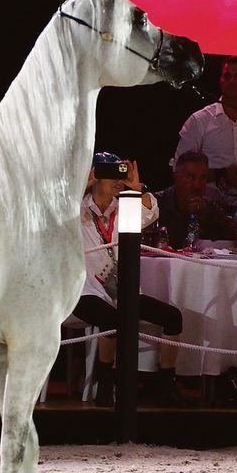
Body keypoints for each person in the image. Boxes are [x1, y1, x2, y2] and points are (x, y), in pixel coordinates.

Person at [76, 152, 188, 407]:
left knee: (173, 317)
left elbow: (150, 211)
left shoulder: (124, 207)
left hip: (122, 291)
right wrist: (82, 185)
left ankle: (166, 383)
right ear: (95, 176)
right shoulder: (76, 208)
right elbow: (52, 211)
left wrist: (137, 188)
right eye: (110, 174)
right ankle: (105, 382)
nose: (118, 180)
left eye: (121, 174)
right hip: (84, 291)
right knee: (110, 319)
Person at [172, 55, 237, 180]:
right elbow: (179, 169)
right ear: (220, 80)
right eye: (227, 76)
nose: (232, 81)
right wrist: (221, 174)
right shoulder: (199, 120)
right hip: (208, 192)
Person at [153, 151, 235, 249]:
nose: (197, 185)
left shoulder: (210, 208)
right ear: (176, 177)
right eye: (190, 177)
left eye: (203, 178)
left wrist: (205, 216)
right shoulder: (155, 204)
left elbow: (234, 238)